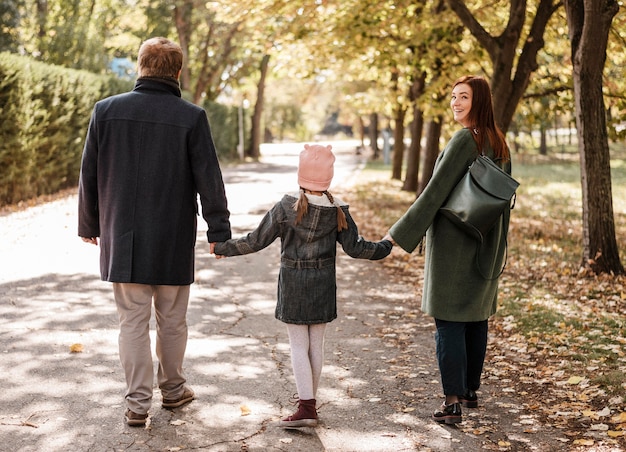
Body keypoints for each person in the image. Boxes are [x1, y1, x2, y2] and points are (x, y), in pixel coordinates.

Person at [78, 37, 231, 427]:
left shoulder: (105, 111)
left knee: (131, 322)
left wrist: (89, 224)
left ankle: (136, 405)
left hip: (123, 238)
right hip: (172, 238)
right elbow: (209, 179)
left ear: (140, 68)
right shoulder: (192, 116)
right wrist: (219, 230)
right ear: (177, 72)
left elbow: (89, 173)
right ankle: (174, 390)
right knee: (173, 321)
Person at [213, 144, 393, 428]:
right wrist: (386, 246)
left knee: (298, 344)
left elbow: (256, 240)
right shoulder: (337, 210)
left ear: (301, 175)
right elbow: (356, 248)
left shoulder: (286, 206)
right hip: (323, 283)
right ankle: (309, 402)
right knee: (315, 345)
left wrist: (224, 247)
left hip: (294, 282)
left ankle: (306, 406)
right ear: (328, 178)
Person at [384, 75, 512, 425]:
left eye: (464, 97)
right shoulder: (499, 143)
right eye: (453, 97)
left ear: (479, 101)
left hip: (455, 245)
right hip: (486, 242)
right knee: (475, 317)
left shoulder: (464, 140)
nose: (456, 103)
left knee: (449, 321)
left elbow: (434, 192)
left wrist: (399, 235)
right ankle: (470, 389)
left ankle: (452, 402)